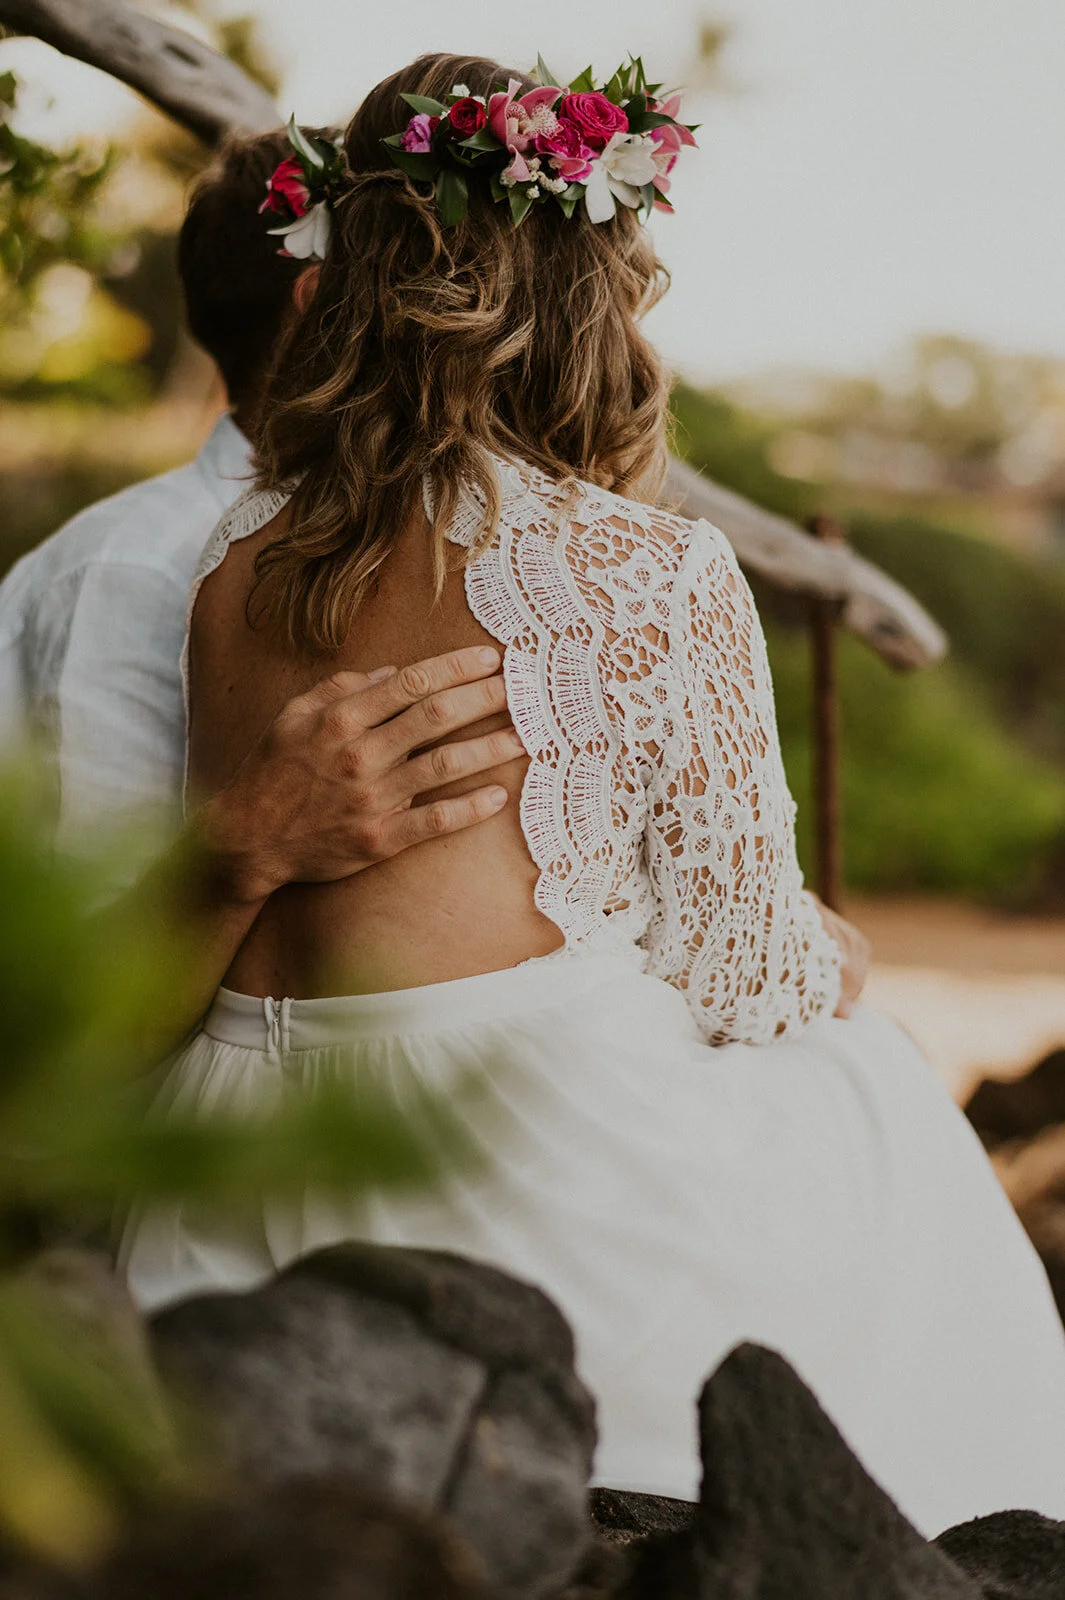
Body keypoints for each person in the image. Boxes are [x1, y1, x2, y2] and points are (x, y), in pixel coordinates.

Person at [124, 51, 1065, 1535]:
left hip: (235, 1158)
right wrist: (823, 950)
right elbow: (743, 971)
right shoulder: (648, 567)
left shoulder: (233, 576)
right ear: (578, 298)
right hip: (483, 1169)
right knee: (865, 1089)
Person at [0, 128, 540, 1060]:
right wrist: (243, 844)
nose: (472, 315)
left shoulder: (451, 542)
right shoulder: (133, 574)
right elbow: (82, 1014)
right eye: (428, 276)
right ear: (324, 300)